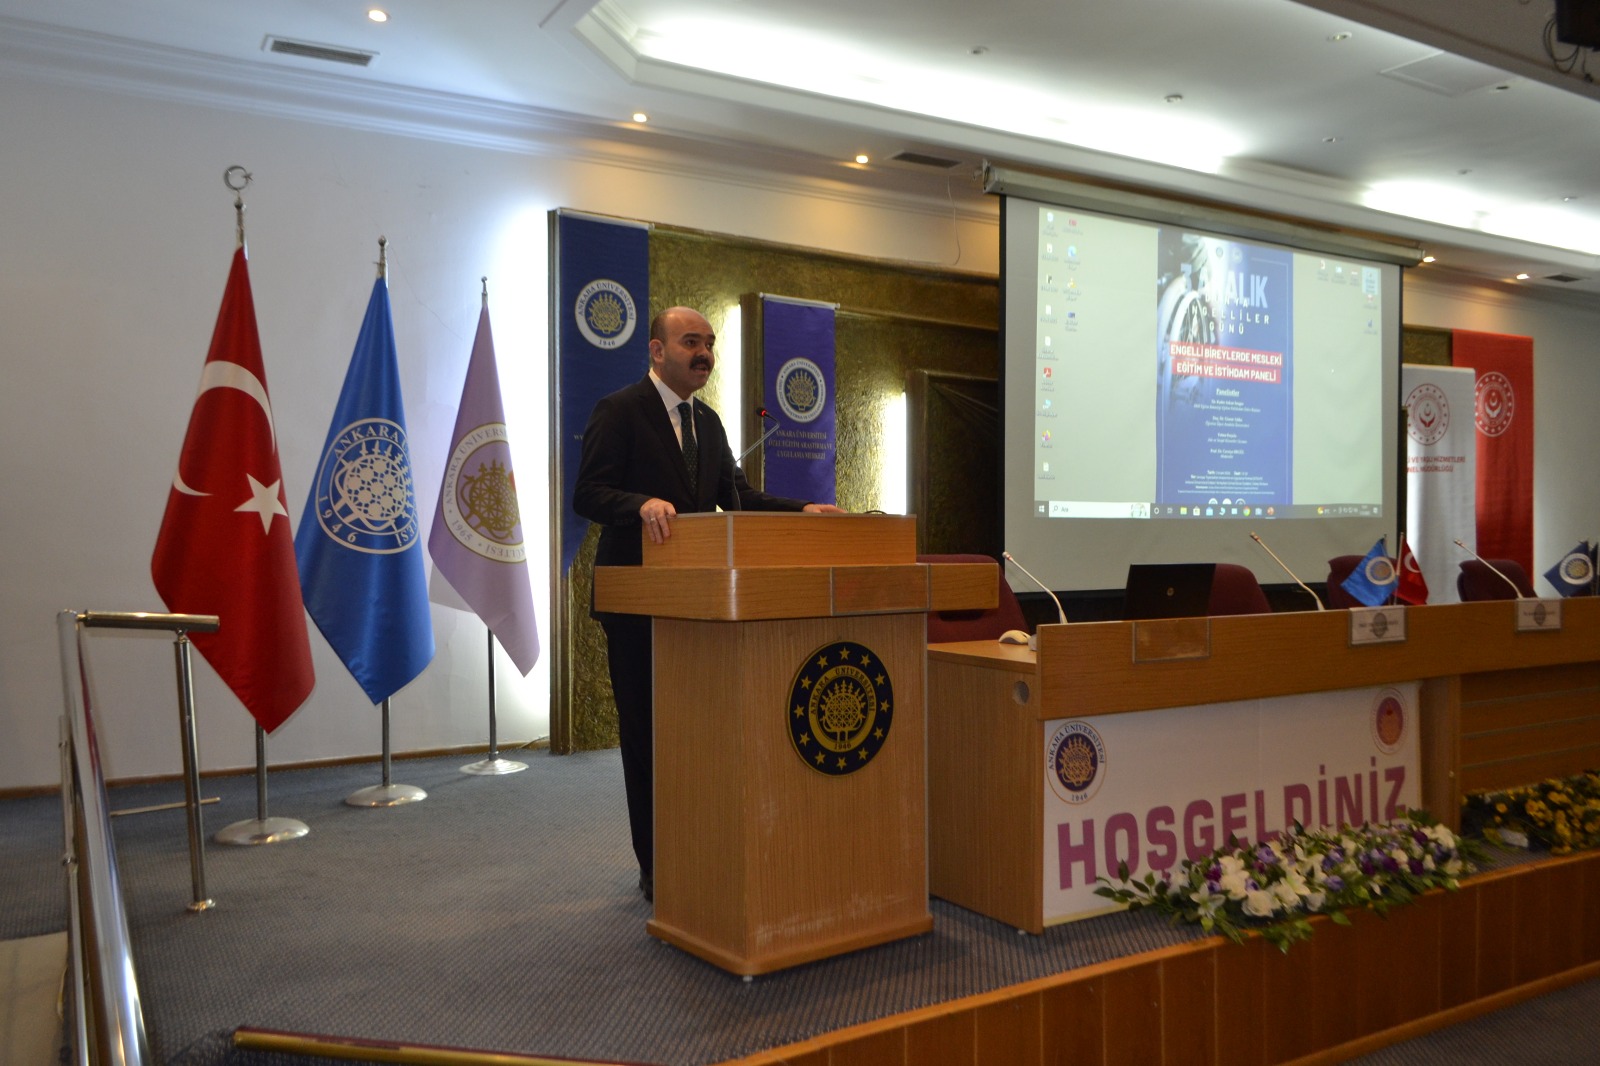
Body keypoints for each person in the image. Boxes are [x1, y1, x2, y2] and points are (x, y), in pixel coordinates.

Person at [573, 306, 843, 902]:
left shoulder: (709, 422)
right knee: (648, 737)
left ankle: (696, 849)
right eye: (690, 342)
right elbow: (588, 493)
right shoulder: (620, 410)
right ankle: (656, 864)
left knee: (695, 737)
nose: (704, 354)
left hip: (698, 605)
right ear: (657, 351)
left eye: (710, 344)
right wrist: (640, 504)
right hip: (638, 602)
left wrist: (803, 510)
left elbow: (737, 497)